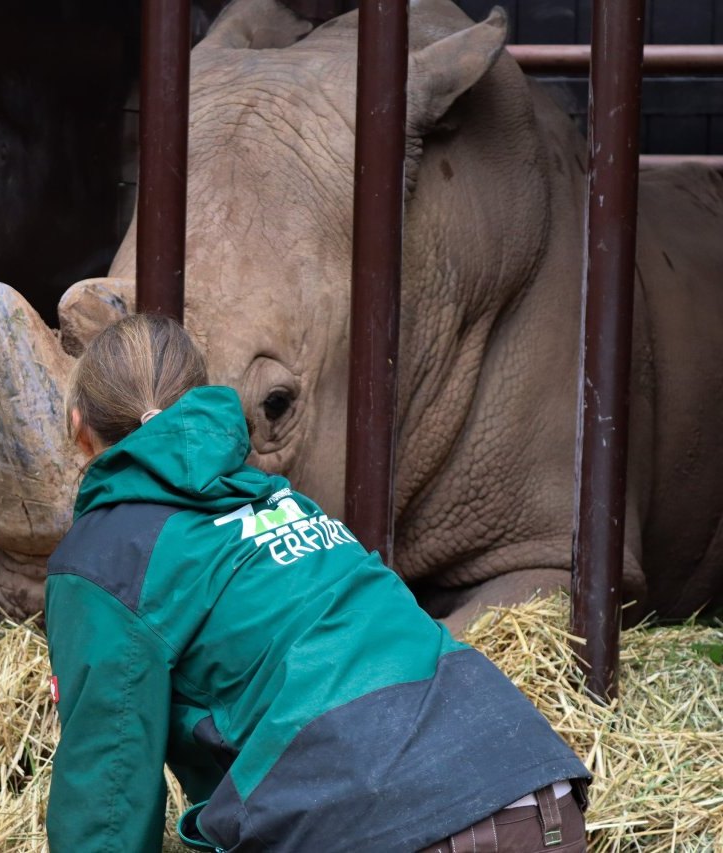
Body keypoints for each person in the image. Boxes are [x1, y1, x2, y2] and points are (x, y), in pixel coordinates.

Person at [45, 313, 592, 852]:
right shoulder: (284, 501)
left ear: (77, 425)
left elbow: (107, 789)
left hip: (388, 825)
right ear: (201, 406)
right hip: (539, 794)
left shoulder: (105, 556)